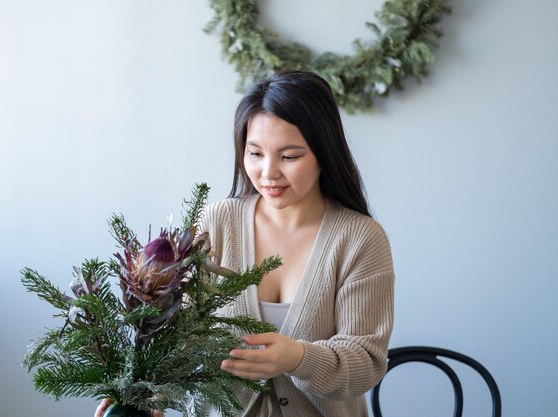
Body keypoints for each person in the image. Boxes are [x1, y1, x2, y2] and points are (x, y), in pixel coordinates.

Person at [96, 70, 394, 417]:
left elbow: (367, 363)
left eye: (290, 156)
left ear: (323, 152)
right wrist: (142, 398)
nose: (268, 172)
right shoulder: (216, 223)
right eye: (255, 153)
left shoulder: (360, 239)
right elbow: (177, 336)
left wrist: (298, 358)